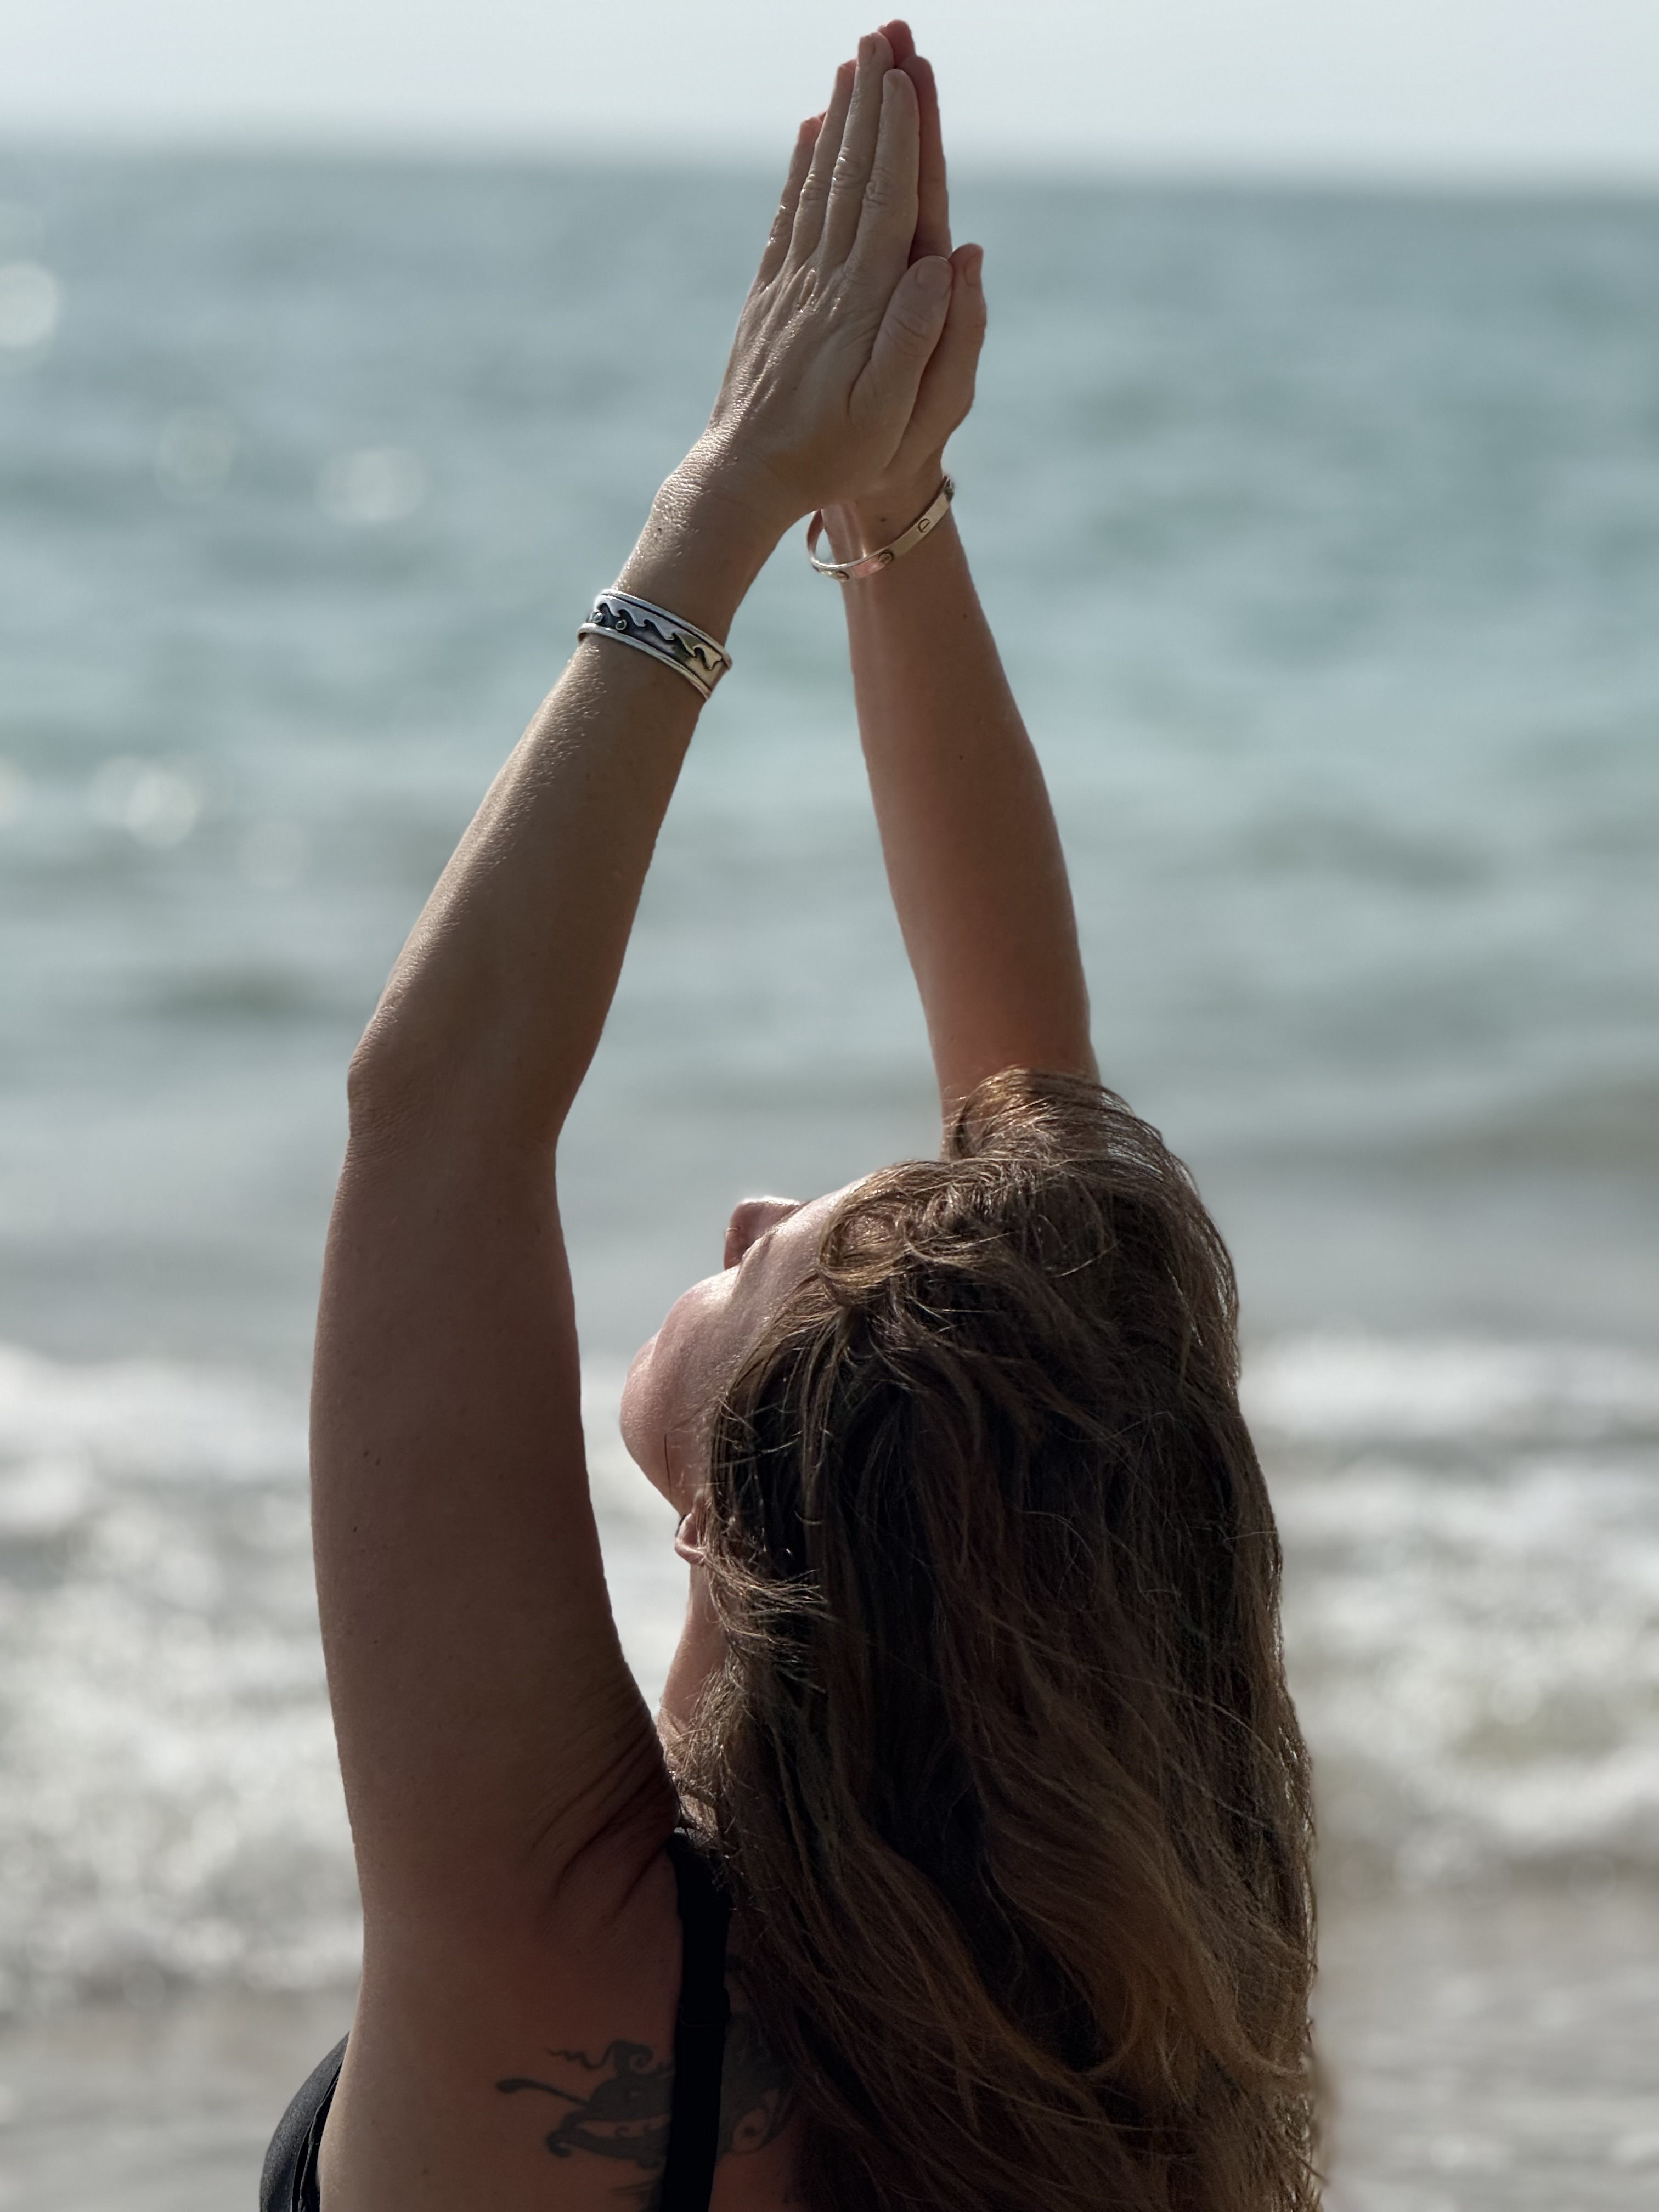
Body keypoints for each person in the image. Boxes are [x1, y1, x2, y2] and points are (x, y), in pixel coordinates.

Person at [261, 22, 1317, 2212]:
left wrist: (727, 487)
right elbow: (1041, 1123)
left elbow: (438, 1110)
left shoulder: (566, 1972)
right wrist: (888, 520)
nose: (748, 1205)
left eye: (777, 1257)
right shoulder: (1126, 1984)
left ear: (782, 1514)